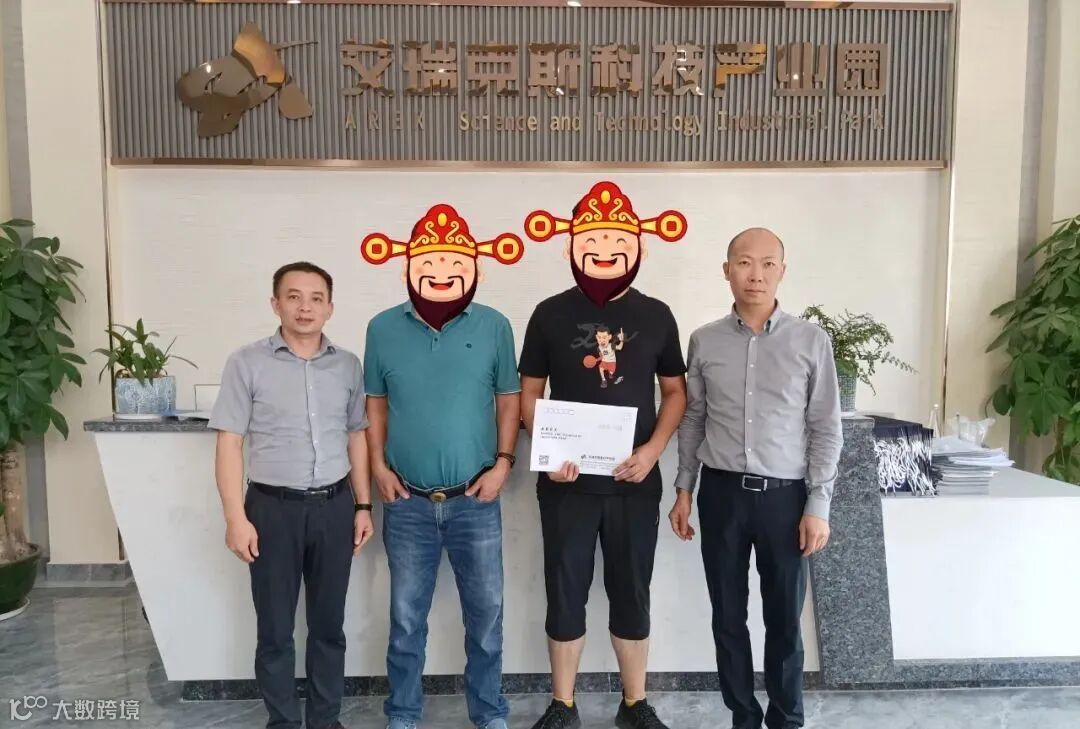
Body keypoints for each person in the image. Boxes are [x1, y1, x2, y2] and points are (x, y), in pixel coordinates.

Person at [519, 181, 689, 729]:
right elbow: (528, 392)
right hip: (565, 484)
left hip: (633, 481)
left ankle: (634, 704)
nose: (605, 250)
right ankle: (562, 705)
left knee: (631, 591)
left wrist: (653, 450)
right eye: (592, 240)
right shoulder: (548, 313)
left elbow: (676, 392)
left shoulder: (657, 315)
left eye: (617, 240)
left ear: (638, 245)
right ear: (571, 245)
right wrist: (548, 452)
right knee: (564, 590)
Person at [671, 228, 843, 729]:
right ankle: (742, 717)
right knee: (727, 617)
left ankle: (786, 720)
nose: (756, 274)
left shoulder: (811, 341)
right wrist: (684, 488)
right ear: (727, 270)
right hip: (721, 494)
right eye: (745, 263)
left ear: (782, 272)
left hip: (785, 500)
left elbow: (825, 426)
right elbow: (694, 418)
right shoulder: (704, 340)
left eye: (768, 264)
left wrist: (818, 506)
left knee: (784, 621)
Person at [360, 204, 525, 729]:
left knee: (487, 618)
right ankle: (403, 713)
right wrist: (378, 466)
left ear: (475, 267)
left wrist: (503, 464)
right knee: (406, 621)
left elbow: (508, 399)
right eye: (429, 262)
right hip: (406, 500)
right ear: (407, 266)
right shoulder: (382, 328)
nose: (441, 272)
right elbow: (375, 404)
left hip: (475, 500)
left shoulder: (495, 325)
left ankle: (489, 712)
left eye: (454, 262)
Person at [210, 261, 374, 729]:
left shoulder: (347, 365)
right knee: (275, 631)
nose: (305, 307)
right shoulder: (246, 362)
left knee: (329, 628)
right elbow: (229, 443)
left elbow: (356, 436)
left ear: (330, 308)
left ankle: (325, 720)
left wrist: (363, 505)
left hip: (335, 507)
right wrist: (235, 517)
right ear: (275, 303)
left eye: (316, 298)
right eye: (294, 297)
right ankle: (282, 722)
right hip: (271, 510)